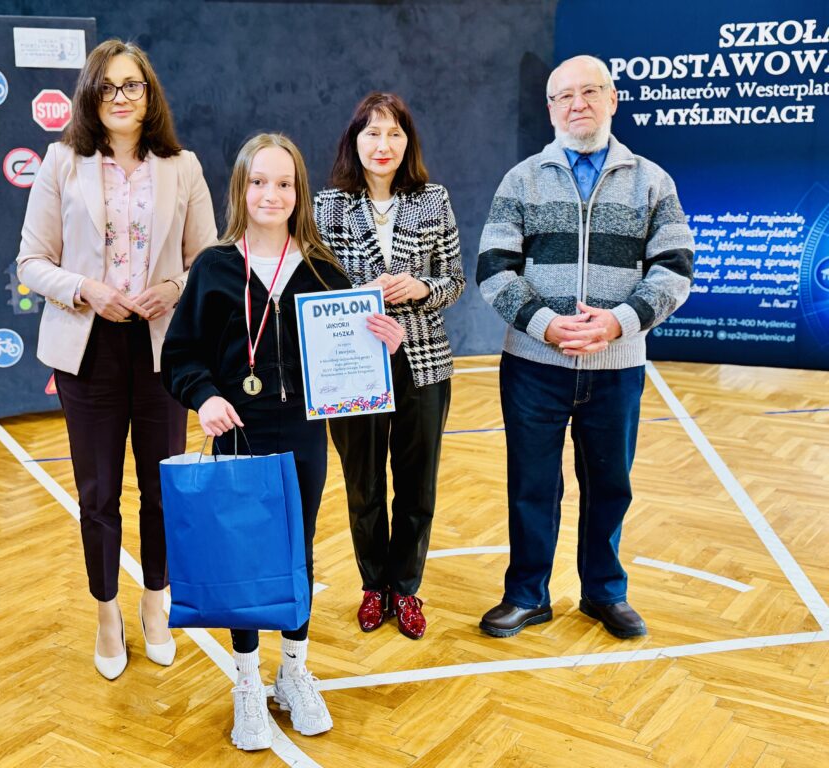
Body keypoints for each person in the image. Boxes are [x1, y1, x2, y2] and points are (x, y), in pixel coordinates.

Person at [162, 133, 404, 751]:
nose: (271, 194)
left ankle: (293, 670)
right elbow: (179, 356)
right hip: (237, 431)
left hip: (302, 432)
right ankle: (246, 682)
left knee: (298, 549)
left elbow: (353, 355)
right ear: (240, 189)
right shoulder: (214, 267)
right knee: (244, 554)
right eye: (259, 182)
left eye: (284, 183)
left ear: (300, 192)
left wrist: (385, 343)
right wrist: (204, 397)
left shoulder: (324, 270)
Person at [16, 39, 216, 679]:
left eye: (132, 85)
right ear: (90, 96)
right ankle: (107, 614)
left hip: (163, 349)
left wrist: (174, 288)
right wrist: (86, 290)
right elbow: (31, 263)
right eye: (108, 86)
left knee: (162, 489)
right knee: (98, 492)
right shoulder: (61, 162)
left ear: (149, 94)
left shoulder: (183, 166)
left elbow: (208, 260)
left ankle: (156, 603)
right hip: (88, 348)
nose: (121, 97)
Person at [476, 55, 694, 639]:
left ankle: (604, 593)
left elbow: (674, 270)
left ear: (613, 99)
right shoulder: (521, 180)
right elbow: (494, 269)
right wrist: (545, 324)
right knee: (532, 485)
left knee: (609, 485)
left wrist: (619, 323)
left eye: (590, 91)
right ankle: (527, 595)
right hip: (533, 365)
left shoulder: (653, 181)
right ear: (550, 109)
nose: (578, 104)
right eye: (564, 96)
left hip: (616, 367)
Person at [314, 93, 465, 640]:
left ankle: (406, 588)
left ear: (408, 142)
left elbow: (454, 280)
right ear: (354, 141)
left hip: (422, 361)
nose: (384, 144)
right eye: (372, 133)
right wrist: (364, 298)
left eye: (394, 133)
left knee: (418, 486)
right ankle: (373, 585)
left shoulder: (433, 200)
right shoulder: (327, 206)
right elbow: (315, 288)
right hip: (352, 364)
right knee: (363, 486)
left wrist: (421, 287)